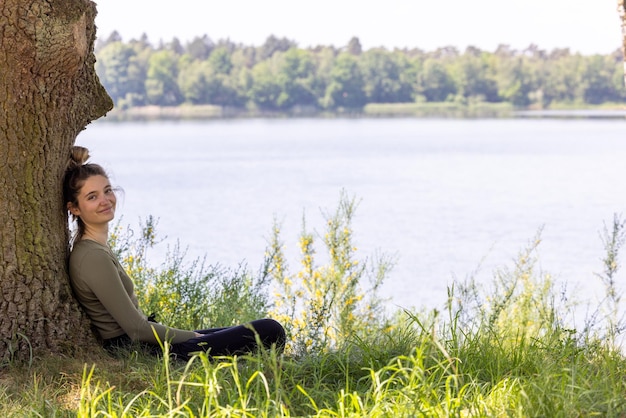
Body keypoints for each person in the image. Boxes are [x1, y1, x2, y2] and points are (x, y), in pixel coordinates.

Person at [62, 146, 285, 361]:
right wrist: (191, 336)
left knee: (241, 331)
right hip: (140, 350)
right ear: (74, 208)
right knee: (269, 330)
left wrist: (193, 336)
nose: (105, 200)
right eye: (92, 197)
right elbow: (137, 329)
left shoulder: (97, 248)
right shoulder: (92, 257)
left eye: (107, 191)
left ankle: (239, 362)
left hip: (146, 342)